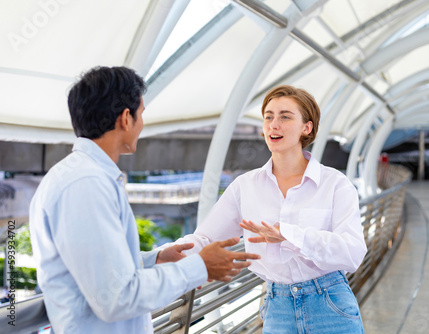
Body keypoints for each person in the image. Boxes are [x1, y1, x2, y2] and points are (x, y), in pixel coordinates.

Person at [29, 66, 260, 334]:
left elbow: (97, 265)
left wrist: (155, 258)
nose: (141, 125)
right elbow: (116, 297)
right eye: (141, 115)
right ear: (126, 118)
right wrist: (199, 266)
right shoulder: (85, 185)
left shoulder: (85, 177)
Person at [171, 85, 367, 333]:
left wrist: (290, 235)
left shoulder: (335, 184)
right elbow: (205, 238)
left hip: (331, 305)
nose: (274, 124)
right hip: (278, 309)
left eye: (285, 116)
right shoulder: (245, 186)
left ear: (306, 128)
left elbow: (353, 252)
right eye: (268, 117)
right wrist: (163, 260)